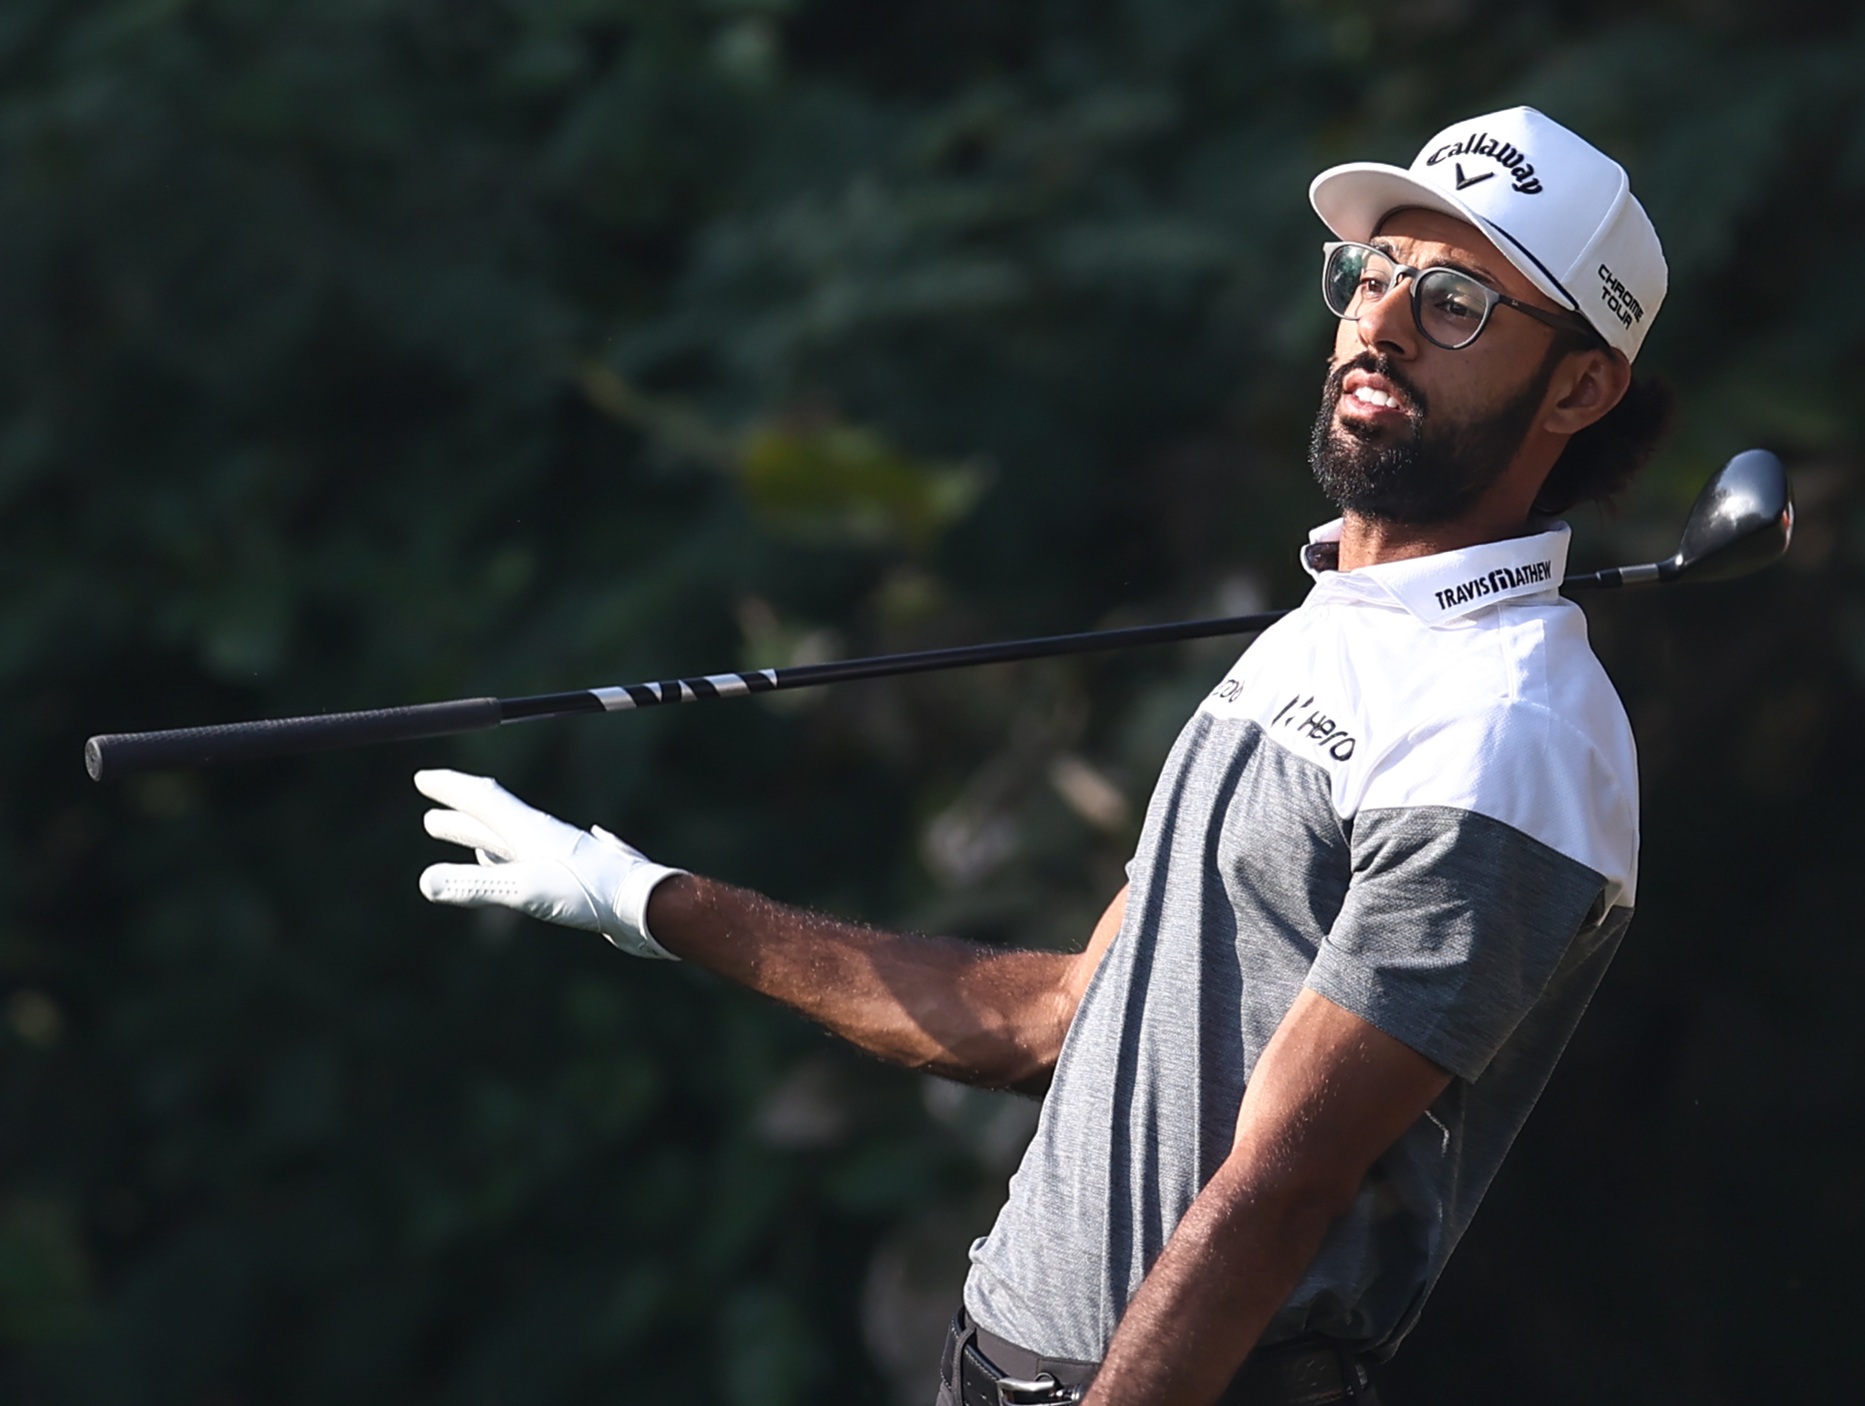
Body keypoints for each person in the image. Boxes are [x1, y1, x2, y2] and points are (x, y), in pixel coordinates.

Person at [413, 106, 1672, 1406]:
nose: (1383, 324)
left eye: (1457, 301)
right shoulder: (1330, 630)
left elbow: (1284, 1181)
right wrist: (643, 897)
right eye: (1372, 276)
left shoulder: (1509, 730)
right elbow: (1063, 1014)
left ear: (1580, 385)